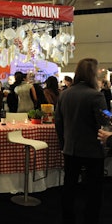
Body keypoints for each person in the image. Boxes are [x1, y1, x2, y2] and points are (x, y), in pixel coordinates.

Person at [55, 58, 109, 224]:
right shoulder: (96, 95)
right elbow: (105, 119)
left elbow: (58, 122)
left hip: (70, 148)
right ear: (92, 74)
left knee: (69, 185)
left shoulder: (64, 94)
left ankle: (68, 218)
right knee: (93, 190)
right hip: (92, 149)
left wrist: (63, 143)